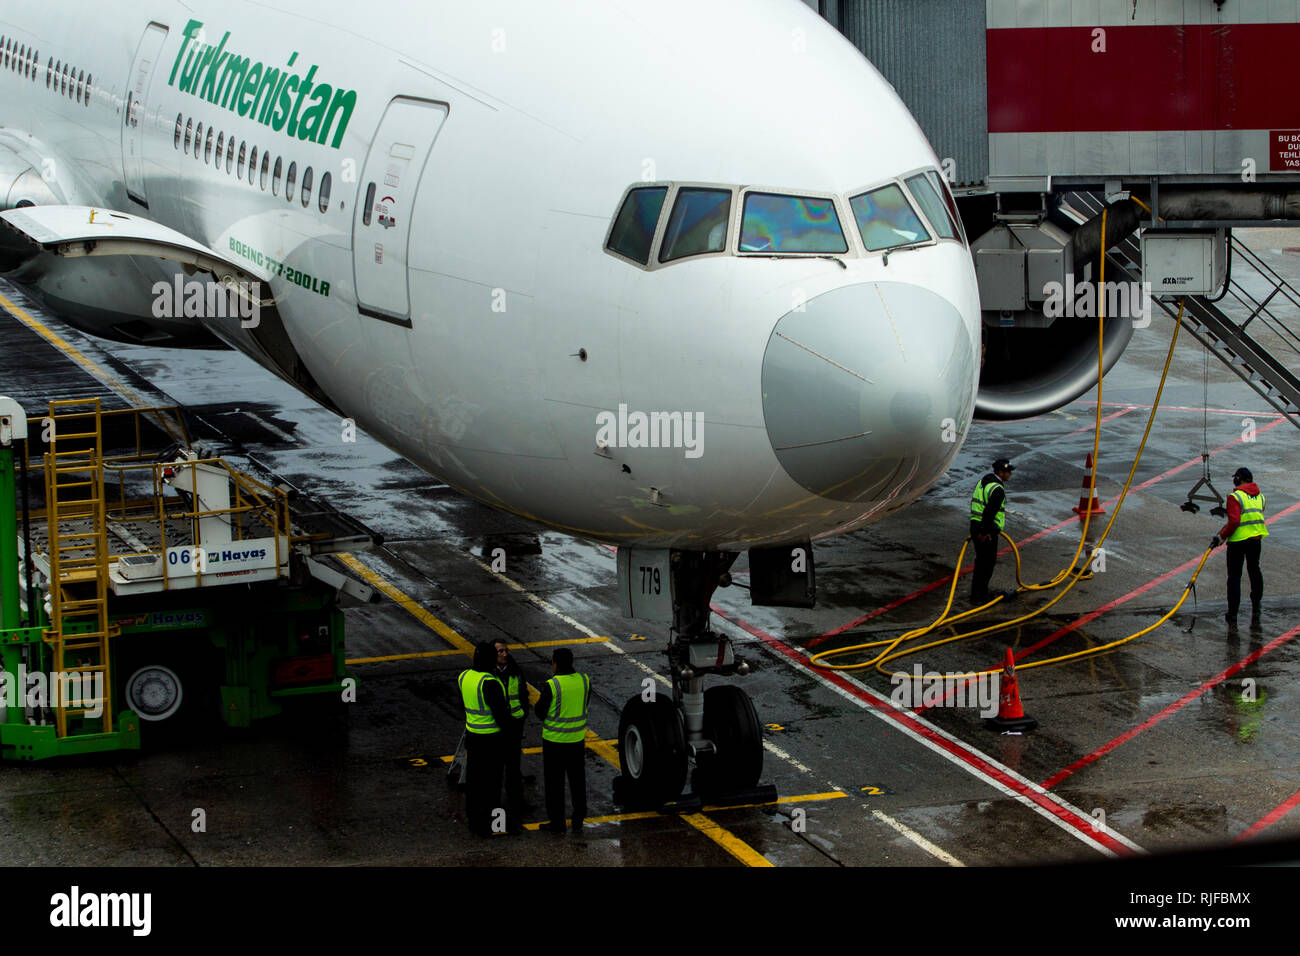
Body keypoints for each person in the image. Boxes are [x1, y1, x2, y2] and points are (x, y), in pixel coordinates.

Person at [458, 641, 513, 836]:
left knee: (474, 783)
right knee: (493, 785)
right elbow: (502, 716)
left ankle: (475, 823)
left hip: (473, 737)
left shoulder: (464, 677)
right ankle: (494, 825)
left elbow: (461, 705)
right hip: (491, 741)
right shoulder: (490, 682)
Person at [533, 647, 589, 833]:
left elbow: (540, 711)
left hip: (554, 741)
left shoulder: (552, 685)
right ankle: (579, 818)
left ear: (555, 663)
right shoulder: (584, 680)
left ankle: (557, 823)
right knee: (577, 781)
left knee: (554, 783)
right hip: (577, 739)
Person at [1211, 467, 1268, 629]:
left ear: (1239, 479)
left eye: (1235, 478)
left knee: (1234, 577)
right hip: (1256, 539)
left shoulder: (1235, 496)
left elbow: (1234, 521)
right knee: (1254, 569)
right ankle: (1256, 605)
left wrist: (1221, 537)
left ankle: (1232, 613)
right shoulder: (1260, 497)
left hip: (1238, 541)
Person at [969, 458, 1016, 603]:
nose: (1010, 474)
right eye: (1008, 472)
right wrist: (984, 533)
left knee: (980, 563)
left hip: (975, 526)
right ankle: (980, 598)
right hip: (986, 531)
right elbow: (989, 513)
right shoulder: (998, 489)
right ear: (1000, 472)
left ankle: (976, 595)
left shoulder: (984, 482)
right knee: (986, 565)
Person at [493, 638, 530, 819]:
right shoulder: (489, 674)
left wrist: (522, 715)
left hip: (514, 726)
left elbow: (524, 695)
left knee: (513, 767)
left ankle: (516, 802)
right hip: (497, 728)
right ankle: (496, 806)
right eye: (500, 651)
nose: (504, 654)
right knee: (497, 768)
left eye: (505, 650)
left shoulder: (515, 671)